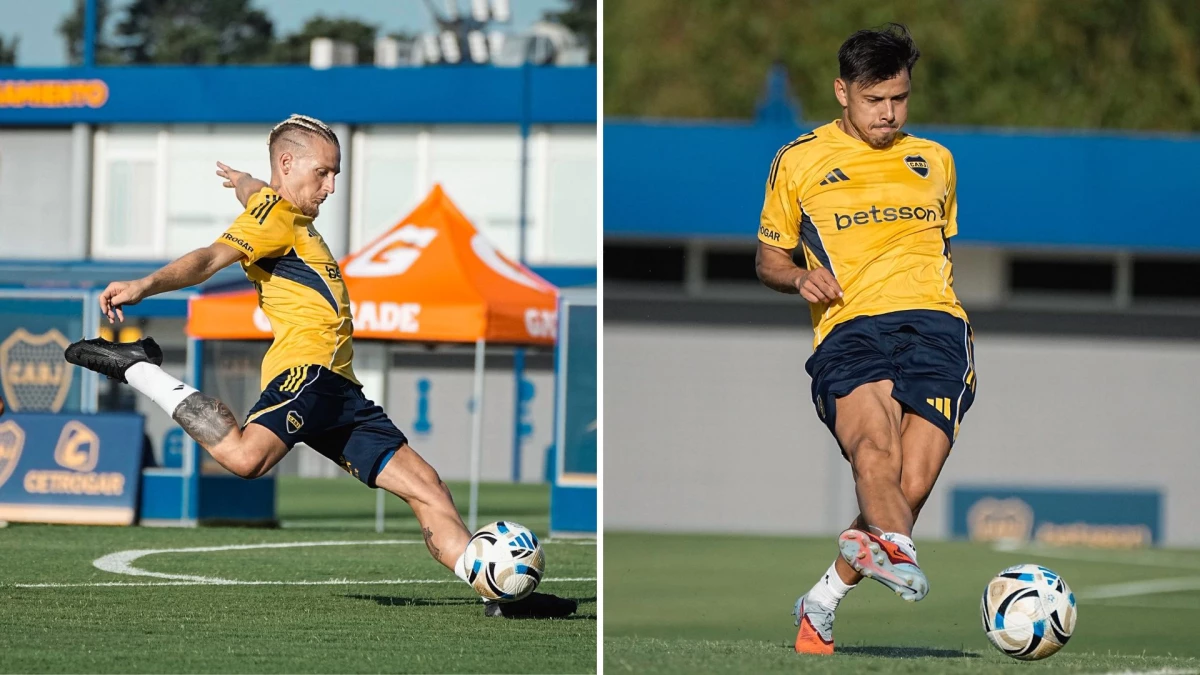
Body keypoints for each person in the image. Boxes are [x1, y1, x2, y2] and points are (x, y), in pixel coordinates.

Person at [64, 114, 575, 619]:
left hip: (341, 390)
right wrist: (141, 287)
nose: (331, 187)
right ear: (289, 164)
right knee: (246, 460)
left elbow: (257, 189)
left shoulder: (273, 204)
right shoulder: (273, 219)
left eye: (336, 173)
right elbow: (208, 259)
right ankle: (138, 369)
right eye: (323, 173)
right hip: (306, 372)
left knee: (428, 487)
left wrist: (241, 179)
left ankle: (500, 591)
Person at [755, 24, 977, 654]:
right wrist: (799, 275)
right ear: (842, 93)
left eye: (899, 99)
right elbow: (769, 260)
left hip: (937, 326)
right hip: (849, 327)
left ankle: (821, 600)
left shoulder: (935, 160)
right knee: (872, 453)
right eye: (875, 100)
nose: (888, 113)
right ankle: (897, 553)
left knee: (910, 483)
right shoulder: (798, 160)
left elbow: (943, 248)